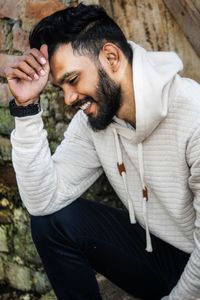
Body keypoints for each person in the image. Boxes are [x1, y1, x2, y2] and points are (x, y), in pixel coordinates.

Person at [4, 3, 200, 300]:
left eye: (72, 80)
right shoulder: (97, 119)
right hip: (163, 257)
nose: (69, 99)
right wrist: (27, 109)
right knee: (52, 223)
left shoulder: (193, 116)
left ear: (111, 58)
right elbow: (43, 201)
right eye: (60, 89)